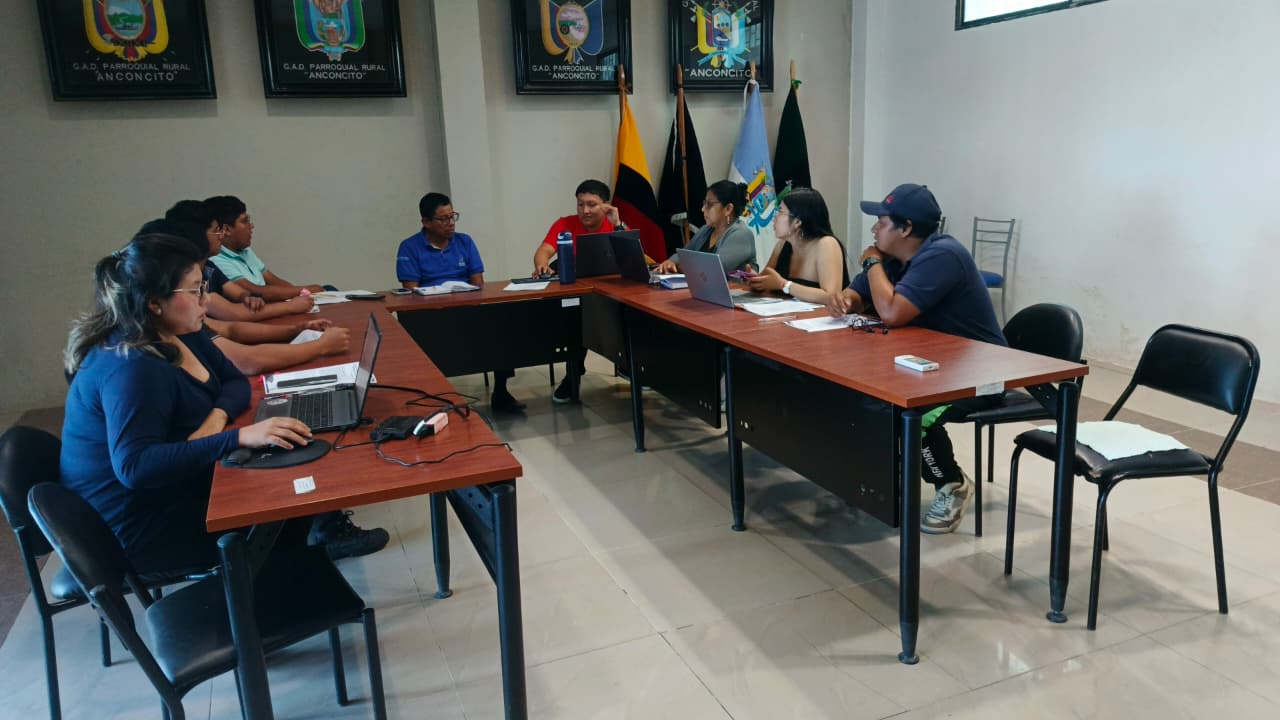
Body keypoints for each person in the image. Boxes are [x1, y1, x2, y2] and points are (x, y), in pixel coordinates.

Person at [60, 233, 388, 569]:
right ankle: (282, 586)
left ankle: (297, 566)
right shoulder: (132, 367)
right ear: (154, 303)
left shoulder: (178, 330)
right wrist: (237, 437)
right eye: (195, 290)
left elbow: (234, 381)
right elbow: (135, 468)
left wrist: (215, 420)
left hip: (175, 484)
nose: (206, 300)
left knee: (289, 463)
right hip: (142, 524)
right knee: (283, 496)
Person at [828, 183, 1006, 534]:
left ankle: (952, 484)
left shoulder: (942, 255)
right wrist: (846, 300)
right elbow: (857, 295)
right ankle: (875, 477)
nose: (874, 229)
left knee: (911, 417)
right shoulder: (892, 259)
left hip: (979, 374)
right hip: (929, 366)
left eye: (881, 222)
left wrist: (872, 262)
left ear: (906, 228)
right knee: (862, 399)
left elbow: (892, 313)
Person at [139, 218, 352, 375]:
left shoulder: (184, 321)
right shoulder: (141, 361)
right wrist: (321, 346)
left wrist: (296, 329)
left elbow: (232, 330)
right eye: (195, 290)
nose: (206, 299)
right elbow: (247, 360)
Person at [397, 193, 525, 413]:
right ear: (426, 222)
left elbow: (478, 284)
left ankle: (501, 392)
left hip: (466, 311)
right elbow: (410, 292)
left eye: (452, 216)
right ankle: (432, 395)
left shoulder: (464, 241)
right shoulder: (409, 247)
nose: (451, 223)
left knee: (502, 325)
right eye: (443, 219)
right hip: (429, 315)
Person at [533, 179, 627, 403]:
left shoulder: (615, 225)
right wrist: (542, 264)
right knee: (574, 320)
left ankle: (629, 365)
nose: (585, 210)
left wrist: (617, 224)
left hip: (609, 294)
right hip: (576, 295)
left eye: (592, 204)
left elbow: (630, 259)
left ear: (606, 205)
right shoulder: (565, 224)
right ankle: (573, 374)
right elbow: (543, 251)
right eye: (580, 204)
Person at [205, 195, 329, 302]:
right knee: (325, 290)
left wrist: (302, 293)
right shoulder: (216, 258)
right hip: (260, 309)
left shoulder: (244, 250)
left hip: (273, 304)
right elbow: (256, 292)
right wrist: (306, 290)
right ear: (226, 230)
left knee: (328, 289)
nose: (251, 226)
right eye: (245, 221)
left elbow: (273, 280)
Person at [745, 187, 849, 305]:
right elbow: (769, 282)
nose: (774, 217)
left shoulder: (826, 244)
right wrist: (756, 281)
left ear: (797, 222)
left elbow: (832, 296)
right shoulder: (783, 244)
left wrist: (784, 285)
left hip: (822, 315)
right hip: (785, 313)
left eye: (780, 211)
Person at [654, 180, 756, 274]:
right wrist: (670, 262)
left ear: (728, 209)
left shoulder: (741, 234)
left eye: (709, 204)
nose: (703, 209)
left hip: (732, 288)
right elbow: (684, 254)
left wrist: (680, 267)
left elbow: (714, 269)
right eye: (704, 203)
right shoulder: (706, 229)